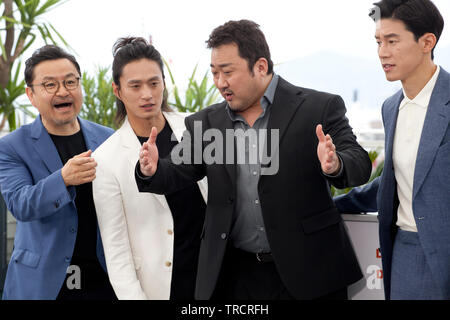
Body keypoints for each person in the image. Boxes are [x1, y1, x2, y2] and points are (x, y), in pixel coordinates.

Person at [136, 20, 372, 300]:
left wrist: (335, 164)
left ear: (260, 67)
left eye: (227, 72)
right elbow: (175, 171)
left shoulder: (318, 108)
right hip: (236, 277)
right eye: (214, 73)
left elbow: (359, 163)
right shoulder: (207, 122)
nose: (220, 83)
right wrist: (151, 168)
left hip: (311, 272)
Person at [334, 0, 449, 300]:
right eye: (378, 42)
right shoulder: (391, 108)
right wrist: (327, 205)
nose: (382, 52)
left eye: (392, 41)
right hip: (405, 253)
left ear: (427, 42)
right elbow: (394, 184)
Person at [92, 37, 207, 300]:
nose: (147, 94)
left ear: (164, 83)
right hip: (161, 286)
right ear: (117, 90)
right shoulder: (106, 160)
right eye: (135, 86)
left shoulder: (195, 127)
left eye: (154, 83)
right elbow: (116, 250)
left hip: (215, 277)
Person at [0, 45, 116, 300]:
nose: (63, 91)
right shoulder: (11, 147)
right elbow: (21, 204)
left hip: (103, 279)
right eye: (50, 85)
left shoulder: (107, 138)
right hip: (43, 284)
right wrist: (63, 179)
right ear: (31, 94)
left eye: (70, 82)